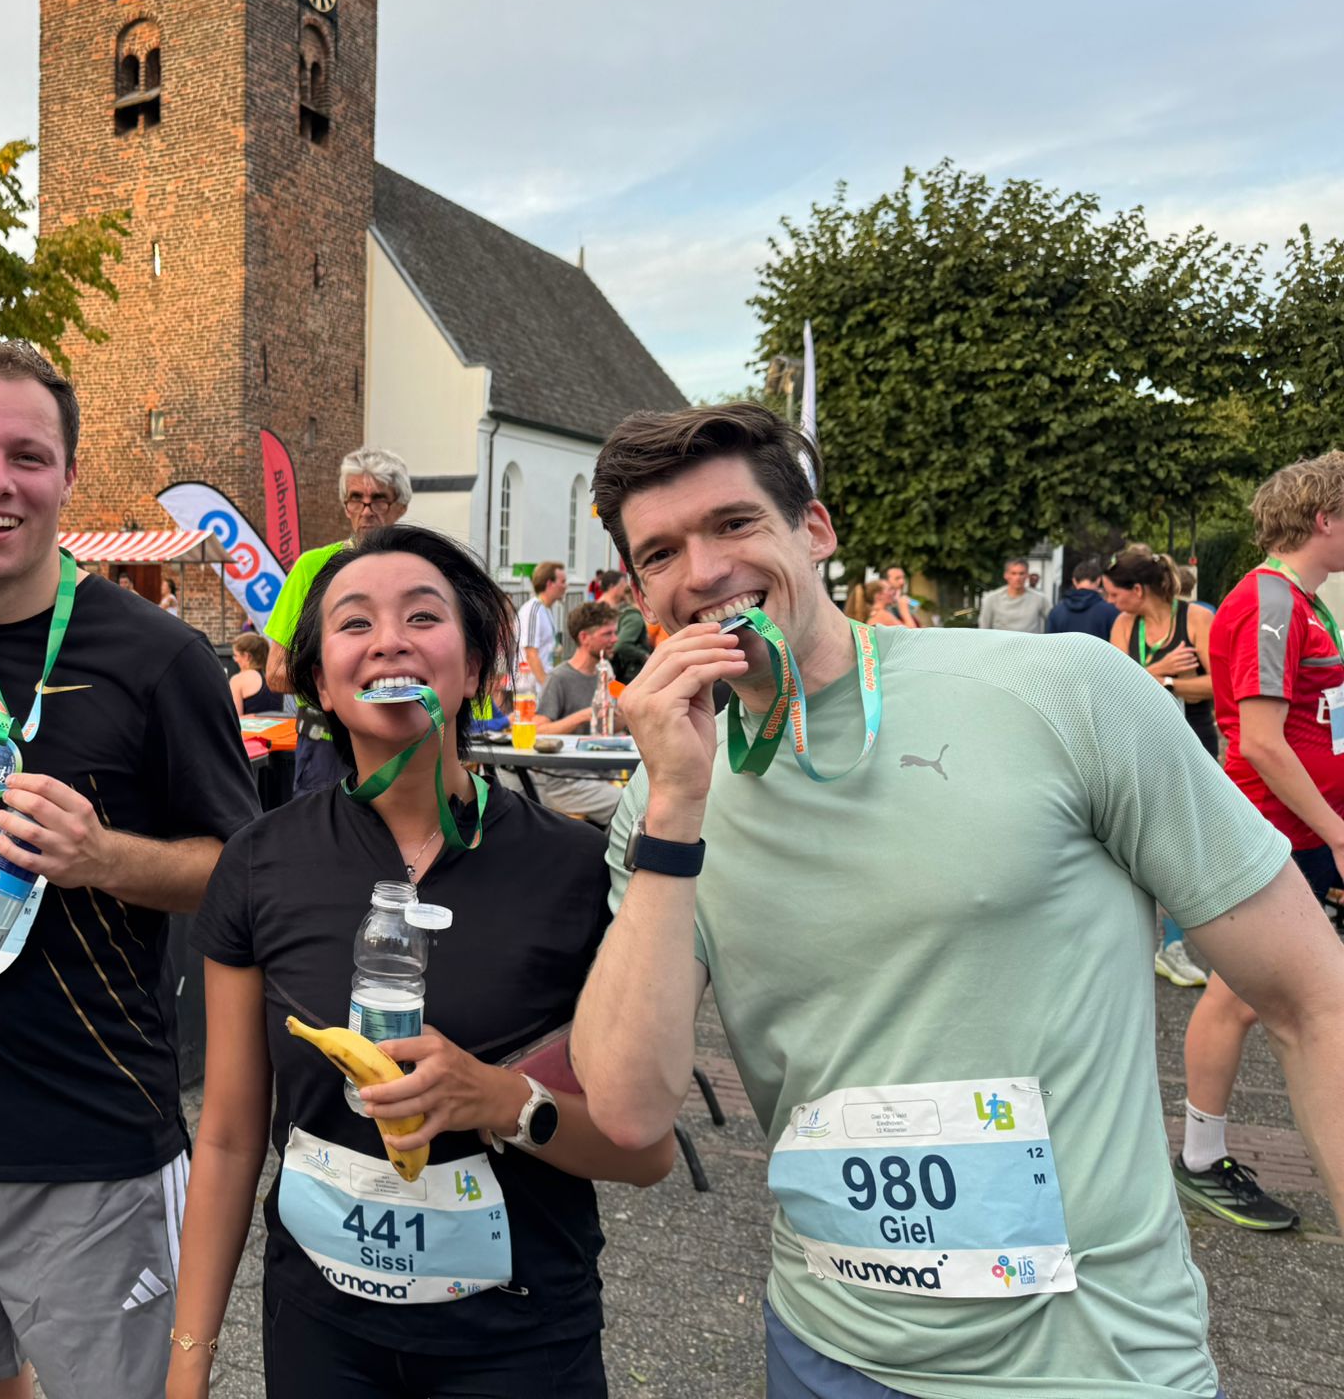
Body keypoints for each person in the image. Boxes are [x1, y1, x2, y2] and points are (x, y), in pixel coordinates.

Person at [569, 402, 1344, 1399]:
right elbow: (629, 1110)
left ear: (812, 531)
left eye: (733, 524)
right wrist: (677, 802)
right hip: (823, 1349)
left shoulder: (1067, 693)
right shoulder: (665, 792)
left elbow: (1308, 1002)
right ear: (639, 595)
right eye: (661, 552)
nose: (704, 570)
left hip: (1091, 1367)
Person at [0, 337, 260, 1399]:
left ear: (67, 476)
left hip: (97, 1139)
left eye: (26, 455)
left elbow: (243, 879)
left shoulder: (160, 657)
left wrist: (102, 856)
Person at [170, 524, 672, 1399]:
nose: (390, 640)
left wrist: (501, 1101)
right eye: (354, 623)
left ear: (475, 667)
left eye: (423, 616)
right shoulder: (259, 863)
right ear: (321, 678)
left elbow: (647, 1151)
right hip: (322, 1336)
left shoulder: (574, 872)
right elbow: (227, 1134)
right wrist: (188, 1361)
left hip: (520, 1338)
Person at [1174, 452, 1344, 1233]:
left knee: (1250, 997)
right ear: (1323, 519)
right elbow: (1268, 743)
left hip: (1301, 832)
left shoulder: (1301, 600)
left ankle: (1202, 1156)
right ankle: (1201, 1159)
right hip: (1277, 835)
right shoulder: (1272, 600)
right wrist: (1337, 834)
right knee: (1245, 999)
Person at [265, 447, 411, 795]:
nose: (366, 510)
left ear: (401, 506)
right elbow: (275, 673)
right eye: (356, 498)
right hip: (327, 749)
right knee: (323, 850)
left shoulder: (422, 573)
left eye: (379, 499)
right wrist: (353, 684)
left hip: (406, 748)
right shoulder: (311, 568)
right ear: (345, 505)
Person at [1106, 544, 1218, 756]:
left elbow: (1221, 683)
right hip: (1141, 740)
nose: (1109, 601)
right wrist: (1160, 669)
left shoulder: (1197, 618)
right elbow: (1115, 689)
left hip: (1193, 738)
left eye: (1114, 594)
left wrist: (1168, 683)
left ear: (1137, 590)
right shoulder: (1123, 624)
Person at [531, 600, 630, 826]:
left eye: (615, 632)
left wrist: (624, 711)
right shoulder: (559, 678)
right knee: (628, 807)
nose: (615, 639)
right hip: (565, 780)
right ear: (585, 638)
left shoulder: (605, 672)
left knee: (648, 798)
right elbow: (538, 730)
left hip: (600, 773)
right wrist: (585, 715)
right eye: (608, 634)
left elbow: (610, 727)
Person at [516, 560, 567, 686]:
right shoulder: (533, 610)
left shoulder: (546, 609)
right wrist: (547, 687)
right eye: (563, 582)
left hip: (540, 687)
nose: (566, 586)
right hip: (530, 691)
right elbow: (531, 654)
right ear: (550, 584)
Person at [1047, 554, 1120, 639]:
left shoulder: (1056, 612)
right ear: (1099, 580)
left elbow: (1050, 648)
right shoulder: (1111, 611)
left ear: (1074, 581)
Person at [976, 556, 1050, 631]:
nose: (1018, 578)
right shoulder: (992, 599)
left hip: (1031, 642)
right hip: (1001, 642)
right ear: (1006, 575)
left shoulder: (1040, 599)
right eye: (1013, 573)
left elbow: (1054, 621)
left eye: (1021, 573)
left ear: (1027, 575)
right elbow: (983, 629)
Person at [595, 569, 649, 669]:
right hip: (605, 664)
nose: (626, 587)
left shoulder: (619, 607)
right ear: (612, 587)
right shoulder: (600, 609)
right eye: (622, 584)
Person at [228, 630, 280, 716]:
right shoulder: (275, 678)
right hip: (278, 728)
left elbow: (235, 721)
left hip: (251, 729)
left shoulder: (238, 680)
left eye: (236, 655)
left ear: (247, 656)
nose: (235, 659)